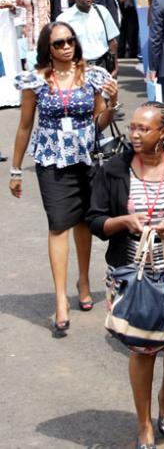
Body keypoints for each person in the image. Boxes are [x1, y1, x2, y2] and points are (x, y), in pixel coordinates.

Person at [86, 101, 164, 448]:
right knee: (142, 351)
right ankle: (143, 424)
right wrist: (123, 223)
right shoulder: (114, 169)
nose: (135, 134)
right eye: (133, 127)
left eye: (144, 128)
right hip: (133, 274)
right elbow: (95, 220)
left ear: (163, 133)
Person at [9, 21, 119, 337]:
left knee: (84, 221)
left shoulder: (94, 76)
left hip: (87, 157)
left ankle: (83, 280)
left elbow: (100, 122)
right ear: (48, 48)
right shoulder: (37, 81)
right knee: (59, 224)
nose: (66, 46)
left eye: (70, 40)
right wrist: (16, 170)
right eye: (58, 43)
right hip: (52, 159)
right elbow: (25, 126)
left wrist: (110, 102)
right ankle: (61, 298)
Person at [57, 0, 119, 76]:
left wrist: (115, 66)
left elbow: (112, 42)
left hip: (103, 66)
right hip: (78, 68)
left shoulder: (102, 12)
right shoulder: (64, 19)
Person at [19, 0, 49, 67]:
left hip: (38, 26)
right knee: (29, 55)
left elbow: (42, 12)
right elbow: (27, 3)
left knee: (37, 55)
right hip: (29, 25)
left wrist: (41, 34)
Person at [0, 0, 21, 108]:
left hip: (8, 31)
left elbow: (19, 10)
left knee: (10, 61)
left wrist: (11, 6)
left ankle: (13, 97)